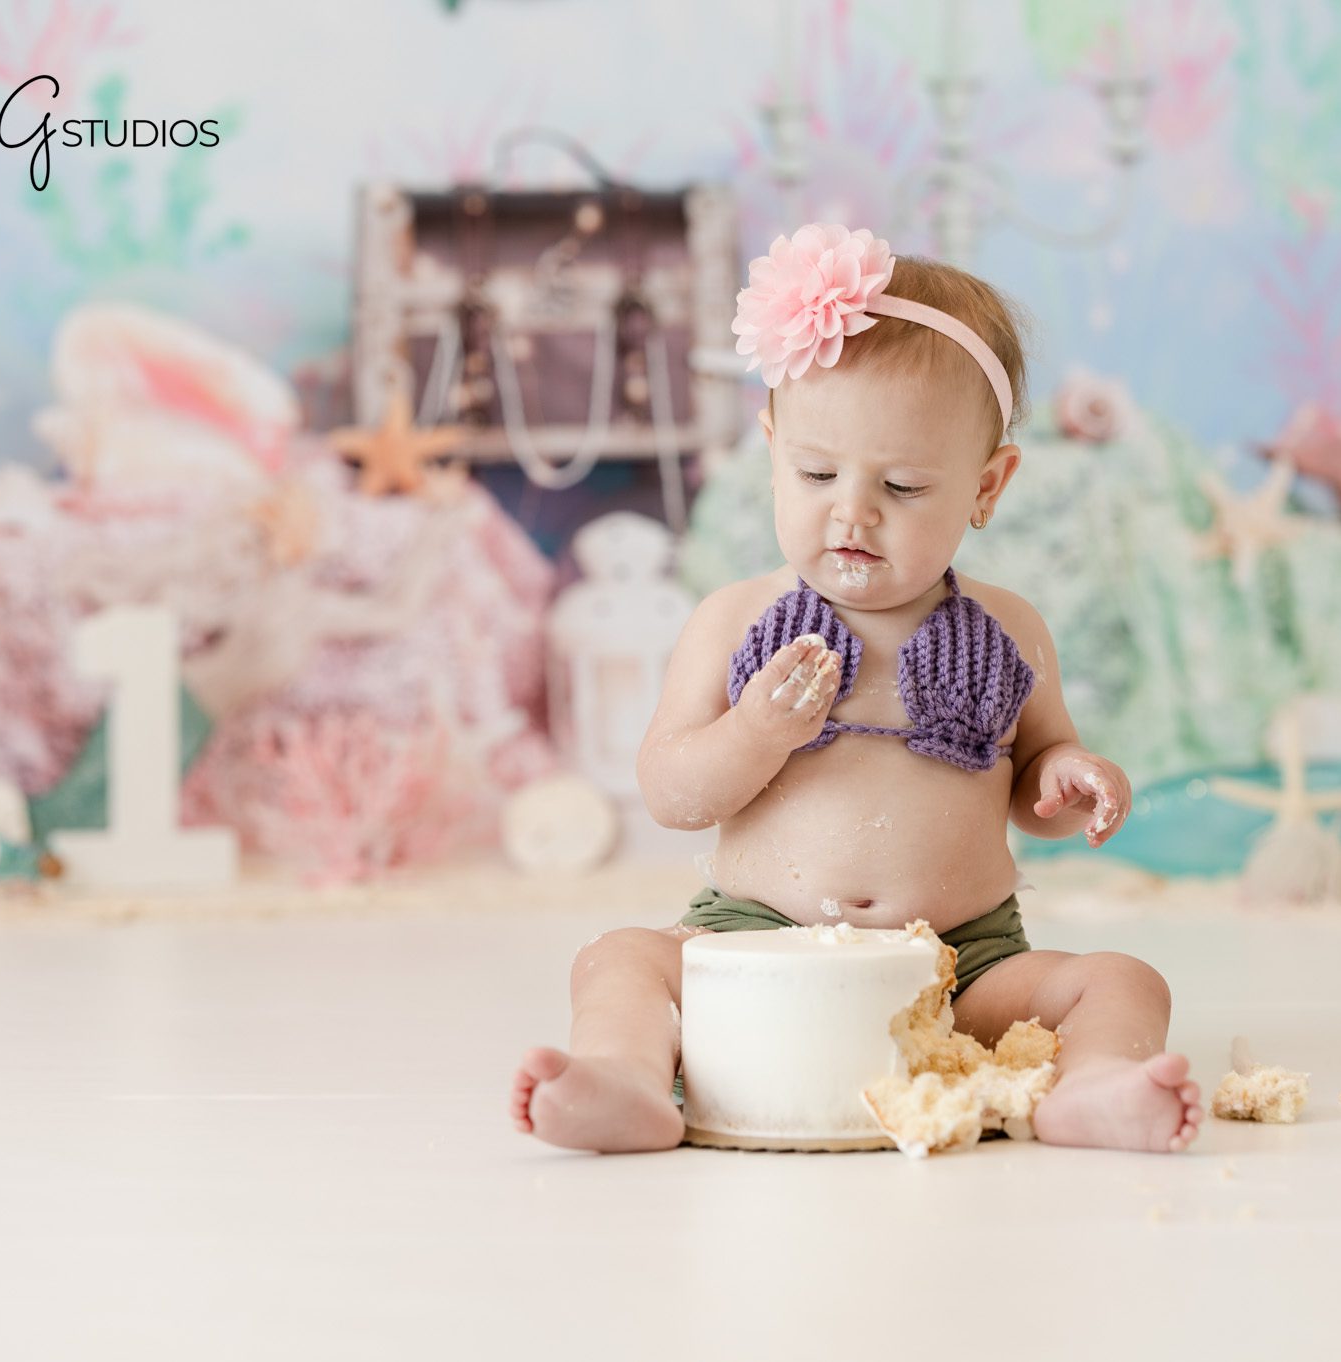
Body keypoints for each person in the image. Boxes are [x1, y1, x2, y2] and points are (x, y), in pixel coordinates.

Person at [512, 224, 1201, 1154]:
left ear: (987, 487)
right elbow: (674, 794)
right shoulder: (731, 622)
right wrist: (756, 731)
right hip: (758, 941)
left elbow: (1033, 780)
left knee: (1124, 977)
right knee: (621, 958)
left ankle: (1094, 1089)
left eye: (906, 486)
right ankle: (627, 1081)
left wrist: (1066, 775)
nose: (852, 509)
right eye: (816, 471)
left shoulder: (1009, 630)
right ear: (771, 450)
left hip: (959, 964)